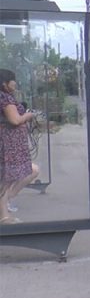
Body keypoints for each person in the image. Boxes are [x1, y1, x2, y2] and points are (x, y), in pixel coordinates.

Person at [0, 69, 40, 224]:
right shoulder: (5, 98)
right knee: (7, 179)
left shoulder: (7, 97)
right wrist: (29, 115)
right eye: (12, 80)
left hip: (12, 144)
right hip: (9, 145)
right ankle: (4, 216)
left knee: (20, 174)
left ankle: (5, 207)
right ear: (5, 83)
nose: (15, 83)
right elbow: (15, 120)